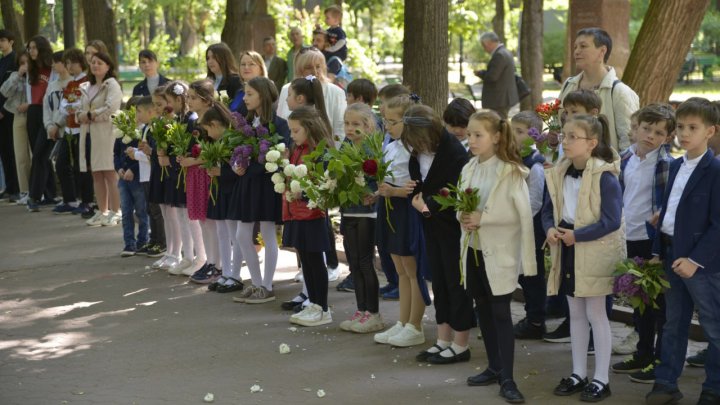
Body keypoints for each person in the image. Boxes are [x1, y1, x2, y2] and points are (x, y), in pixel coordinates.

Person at [544, 114, 624, 402]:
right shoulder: (558, 172)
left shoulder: (605, 177)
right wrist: (551, 229)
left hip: (592, 250)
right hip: (566, 246)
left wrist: (578, 236)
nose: (564, 141)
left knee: (596, 314)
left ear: (592, 143)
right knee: (575, 313)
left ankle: (602, 378)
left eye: (572, 137)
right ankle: (578, 372)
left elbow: (612, 220)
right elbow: (547, 211)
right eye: (564, 135)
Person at [645, 97, 720, 405]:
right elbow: (669, 209)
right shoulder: (676, 165)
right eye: (681, 127)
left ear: (711, 131)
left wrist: (695, 260)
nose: (684, 134)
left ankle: (714, 387)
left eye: (693, 127)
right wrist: (656, 244)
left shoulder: (715, 170)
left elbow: (718, 224)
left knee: (714, 326)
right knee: (673, 323)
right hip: (671, 255)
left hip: (701, 264)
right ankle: (666, 384)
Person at [461, 110, 536, 403]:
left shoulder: (510, 171)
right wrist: (463, 215)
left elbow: (520, 214)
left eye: (478, 135)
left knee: (501, 312)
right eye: (469, 135)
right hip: (473, 248)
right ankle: (493, 366)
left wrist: (484, 217)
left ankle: (508, 377)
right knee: (483, 308)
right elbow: (461, 199)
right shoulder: (469, 167)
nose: (471, 140)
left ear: (496, 137)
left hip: (499, 251)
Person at [610, 104, 675, 384]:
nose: (650, 136)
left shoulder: (667, 165)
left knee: (658, 305)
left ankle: (659, 359)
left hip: (652, 242)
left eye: (659, 132)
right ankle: (643, 351)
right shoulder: (625, 159)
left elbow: (671, 203)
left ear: (668, 137)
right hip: (628, 238)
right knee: (638, 302)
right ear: (636, 128)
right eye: (646, 129)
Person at [408, 105, 473, 360]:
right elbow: (421, 179)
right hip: (431, 224)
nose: (418, 147)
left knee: (456, 282)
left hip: (451, 225)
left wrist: (425, 207)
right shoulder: (419, 151)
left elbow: (454, 192)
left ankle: (460, 343)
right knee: (440, 282)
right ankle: (443, 337)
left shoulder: (453, 153)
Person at [373, 95, 431, 348]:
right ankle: (402, 320)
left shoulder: (416, 150)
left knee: (412, 268)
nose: (388, 126)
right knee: (400, 269)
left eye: (393, 122)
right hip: (391, 209)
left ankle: (415, 325)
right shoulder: (392, 145)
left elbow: (417, 185)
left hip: (408, 210)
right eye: (385, 121)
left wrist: (394, 191)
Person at [231, 76, 289, 304]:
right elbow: (236, 149)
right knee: (241, 235)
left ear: (263, 96)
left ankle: (266, 285)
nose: (244, 98)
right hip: (247, 184)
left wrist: (252, 166)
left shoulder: (279, 123)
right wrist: (236, 164)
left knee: (267, 233)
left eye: (249, 94)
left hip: (265, 184)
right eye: (245, 93)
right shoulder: (246, 122)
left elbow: (278, 156)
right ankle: (256, 282)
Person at [283, 106, 335, 327]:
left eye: (295, 131)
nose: (292, 135)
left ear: (309, 128)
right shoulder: (297, 149)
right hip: (298, 212)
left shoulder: (320, 152)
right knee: (305, 260)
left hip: (313, 213)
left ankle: (322, 308)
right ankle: (313, 303)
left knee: (315, 261)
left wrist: (302, 192)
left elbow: (325, 185)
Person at [337, 103, 384, 333]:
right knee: (353, 262)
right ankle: (360, 309)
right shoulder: (345, 145)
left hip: (367, 212)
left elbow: (378, 177)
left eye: (356, 124)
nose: (350, 128)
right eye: (347, 123)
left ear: (367, 126)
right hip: (349, 209)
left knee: (365, 261)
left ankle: (373, 313)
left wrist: (374, 193)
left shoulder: (373, 147)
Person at [558, 27, 639, 153]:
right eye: (575, 47)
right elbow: (559, 126)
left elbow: (629, 142)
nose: (576, 52)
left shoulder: (620, 92)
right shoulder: (568, 85)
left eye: (583, 46)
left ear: (602, 51)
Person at [510, 111, 548, 339]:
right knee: (520, 274)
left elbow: (535, 200)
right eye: (513, 130)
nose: (515, 135)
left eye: (521, 132)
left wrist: (518, 220)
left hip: (530, 228)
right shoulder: (510, 157)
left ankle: (536, 319)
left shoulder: (535, 164)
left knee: (532, 274)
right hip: (512, 226)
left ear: (534, 135)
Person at [163, 81, 205, 276]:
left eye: (170, 101)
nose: (167, 105)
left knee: (191, 216)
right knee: (181, 213)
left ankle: (201, 256)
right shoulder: (179, 119)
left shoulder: (191, 119)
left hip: (188, 171)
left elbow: (194, 146)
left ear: (180, 99)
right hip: (178, 171)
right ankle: (187, 256)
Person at [78, 51, 123, 227]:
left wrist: (89, 115)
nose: (96, 65)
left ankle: (116, 210)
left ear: (108, 66)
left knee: (110, 173)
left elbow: (111, 108)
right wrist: (82, 116)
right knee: (96, 173)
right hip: (90, 134)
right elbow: (79, 111)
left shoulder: (111, 85)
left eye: (100, 63)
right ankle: (102, 211)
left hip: (107, 134)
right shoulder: (86, 86)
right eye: (93, 62)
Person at [201, 103, 241, 290]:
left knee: (234, 234)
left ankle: (235, 274)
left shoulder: (232, 140)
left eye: (208, 129)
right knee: (222, 233)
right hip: (219, 191)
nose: (207, 134)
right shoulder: (217, 142)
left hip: (231, 192)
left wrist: (220, 171)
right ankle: (225, 271)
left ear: (216, 124)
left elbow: (237, 170)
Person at [185, 79, 220, 283]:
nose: (188, 101)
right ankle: (209, 260)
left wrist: (193, 160)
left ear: (206, 100)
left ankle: (218, 264)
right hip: (195, 174)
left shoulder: (212, 121)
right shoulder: (193, 121)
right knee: (203, 221)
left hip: (207, 173)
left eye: (192, 98)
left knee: (212, 221)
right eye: (188, 97)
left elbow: (213, 152)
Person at [126, 96, 165, 257]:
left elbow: (152, 154)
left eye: (140, 111)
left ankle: (162, 243)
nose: (137, 115)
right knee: (150, 209)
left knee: (157, 211)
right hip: (145, 174)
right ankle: (154, 240)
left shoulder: (155, 128)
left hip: (152, 174)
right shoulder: (145, 128)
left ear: (151, 112)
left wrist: (135, 154)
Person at [58, 48, 94, 218]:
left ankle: (86, 201)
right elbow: (63, 106)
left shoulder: (86, 81)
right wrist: (70, 108)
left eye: (72, 62)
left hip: (82, 130)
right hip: (69, 129)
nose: (69, 66)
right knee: (62, 163)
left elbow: (83, 105)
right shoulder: (70, 84)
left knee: (82, 167)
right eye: (67, 63)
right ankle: (71, 199)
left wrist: (73, 108)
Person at [114, 98, 149, 257]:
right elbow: (117, 153)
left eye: (137, 111)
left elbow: (143, 154)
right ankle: (129, 243)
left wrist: (133, 169)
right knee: (126, 211)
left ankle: (143, 241)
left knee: (142, 211)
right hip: (123, 178)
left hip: (137, 176)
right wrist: (119, 168)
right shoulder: (122, 130)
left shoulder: (144, 131)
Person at [26, 36, 55, 212]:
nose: (32, 51)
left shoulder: (53, 69)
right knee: (41, 156)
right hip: (33, 112)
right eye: (29, 48)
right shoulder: (30, 70)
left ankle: (33, 196)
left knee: (39, 154)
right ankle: (50, 194)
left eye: (35, 48)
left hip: (48, 113)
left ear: (42, 49)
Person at [42, 50, 73, 214]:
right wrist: (49, 125)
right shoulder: (52, 86)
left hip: (66, 129)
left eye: (56, 62)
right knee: (59, 164)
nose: (53, 65)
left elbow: (69, 108)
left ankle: (72, 199)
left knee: (64, 164)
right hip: (53, 129)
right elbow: (46, 107)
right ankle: (68, 199)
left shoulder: (73, 83)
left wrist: (57, 123)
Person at [1, 52, 30, 206]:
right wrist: (18, 74)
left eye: (27, 63)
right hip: (18, 115)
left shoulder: (38, 76)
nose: (25, 66)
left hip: (34, 115)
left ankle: (38, 189)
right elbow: (5, 91)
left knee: (34, 154)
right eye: (21, 63)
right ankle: (23, 190)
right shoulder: (15, 75)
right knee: (20, 154)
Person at [474, 32, 518, 119]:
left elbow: (492, 77)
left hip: (498, 99)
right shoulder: (506, 52)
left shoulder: (499, 55)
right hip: (503, 98)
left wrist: (481, 73)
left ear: (488, 43)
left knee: (498, 124)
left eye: (484, 45)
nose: (484, 48)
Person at [0, 29, 19, 201]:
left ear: (11, 41)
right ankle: (9, 186)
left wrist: (3, 110)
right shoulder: (1, 61)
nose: (1, 43)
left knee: (11, 149)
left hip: (9, 111)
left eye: (3, 40)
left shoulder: (14, 61)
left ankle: (16, 187)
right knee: (4, 151)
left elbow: (12, 90)